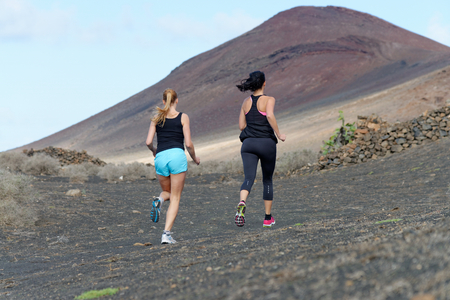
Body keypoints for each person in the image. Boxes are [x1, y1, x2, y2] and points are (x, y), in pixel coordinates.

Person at [146, 88, 200, 244]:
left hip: (161, 157)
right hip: (177, 156)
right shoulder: (183, 117)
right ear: (176, 100)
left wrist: (155, 151)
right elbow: (188, 143)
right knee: (175, 197)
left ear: (163, 101)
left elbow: (148, 142)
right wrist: (195, 158)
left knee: (166, 192)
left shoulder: (156, 118)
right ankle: (166, 235)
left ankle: (159, 200)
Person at [235, 71, 286, 228]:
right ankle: (267, 218)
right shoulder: (269, 100)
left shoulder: (245, 102)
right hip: (266, 144)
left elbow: (241, 126)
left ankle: (242, 202)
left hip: (248, 144)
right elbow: (269, 116)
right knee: (267, 179)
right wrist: (279, 134)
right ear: (264, 83)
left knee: (248, 178)